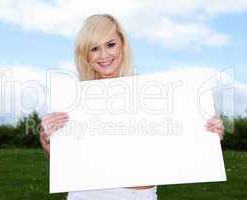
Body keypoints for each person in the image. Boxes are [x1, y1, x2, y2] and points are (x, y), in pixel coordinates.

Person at [39, 14, 225, 200]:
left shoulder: (153, 94)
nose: (104, 55)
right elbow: (70, 167)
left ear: (122, 44)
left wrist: (208, 136)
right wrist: (49, 146)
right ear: (85, 54)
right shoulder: (72, 103)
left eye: (110, 45)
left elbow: (177, 146)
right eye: (95, 48)